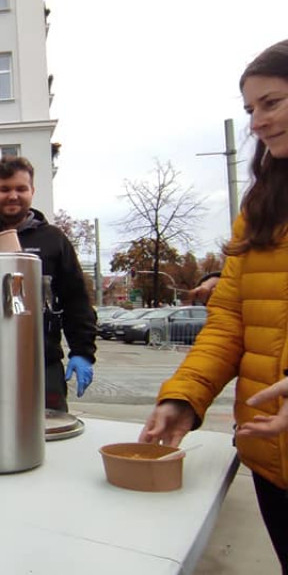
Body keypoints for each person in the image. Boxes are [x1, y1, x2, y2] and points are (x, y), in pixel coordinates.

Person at [139, 39, 288, 572]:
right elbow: (230, 322)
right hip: (274, 463)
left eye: (272, 103)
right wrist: (186, 397)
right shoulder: (261, 208)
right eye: (250, 110)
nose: (257, 122)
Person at [0, 156, 97, 413]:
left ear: (32, 192)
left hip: (43, 364)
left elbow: (76, 300)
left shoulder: (54, 240)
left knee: (51, 437)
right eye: (4, 189)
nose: (13, 195)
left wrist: (83, 351)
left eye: (21, 189)